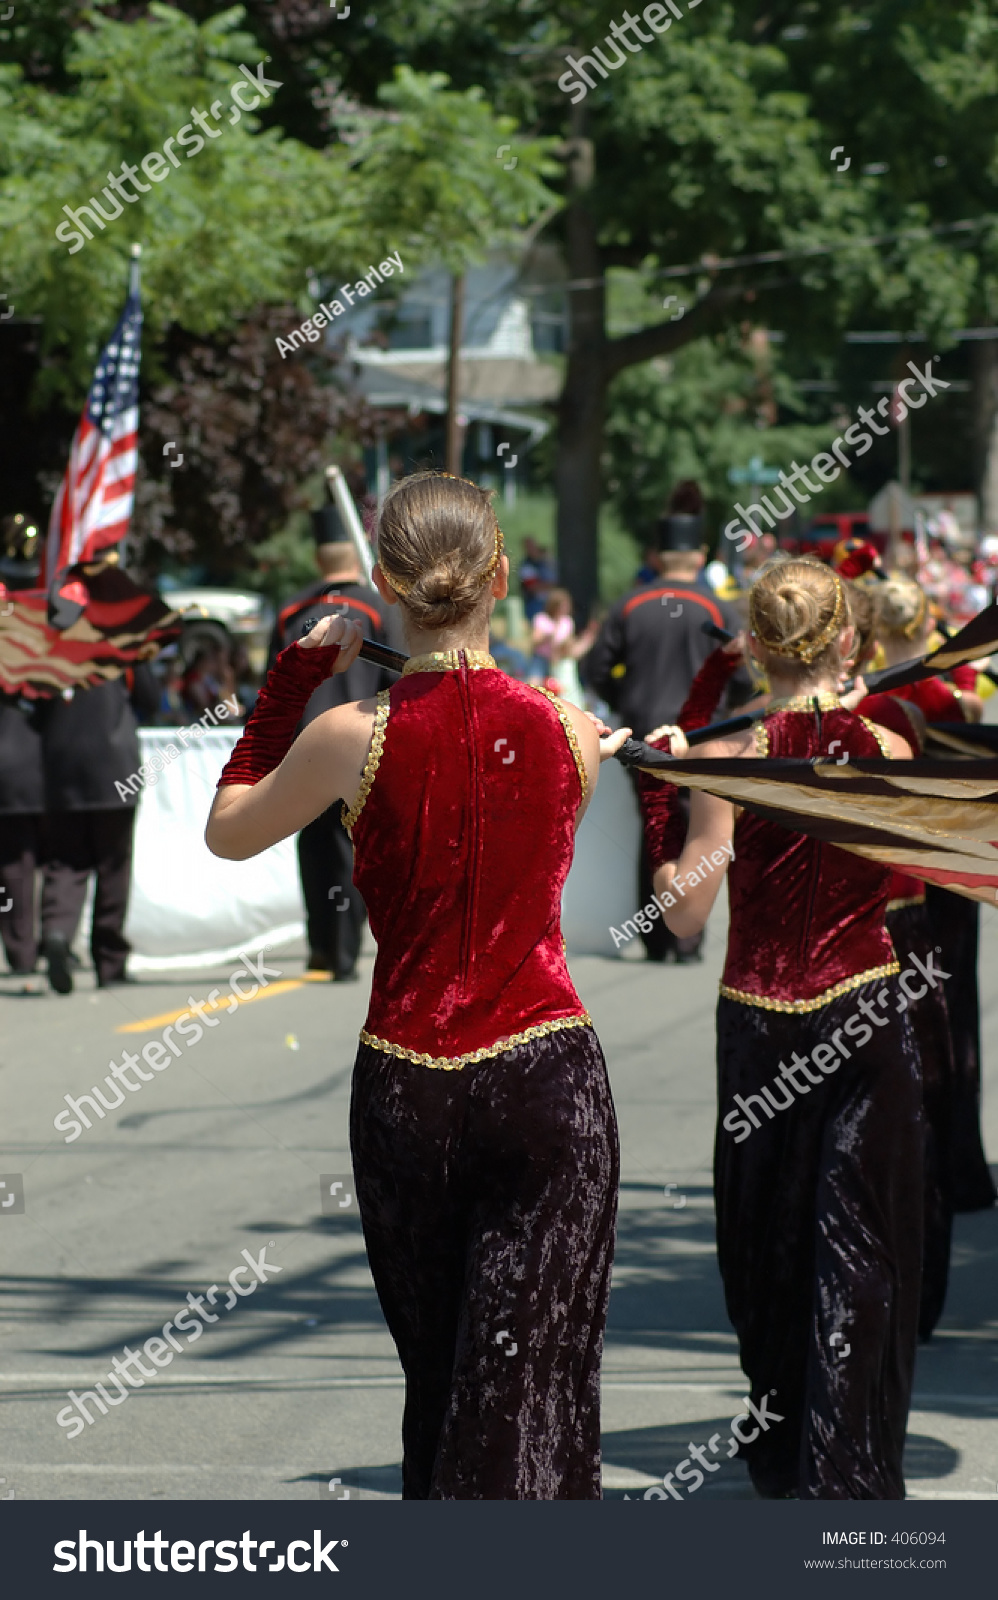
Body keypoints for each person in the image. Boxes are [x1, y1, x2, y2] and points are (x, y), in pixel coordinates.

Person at [207, 472, 626, 1500]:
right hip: (547, 1076)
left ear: (384, 582)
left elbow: (228, 831)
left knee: (443, 1375)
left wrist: (282, 687)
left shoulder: (347, 734)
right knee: (529, 1380)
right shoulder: (573, 732)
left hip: (407, 1081)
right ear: (496, 576)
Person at [643, 559, 922, 1498]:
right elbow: (909, 886)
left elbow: (682, 916)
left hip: (762, 1020)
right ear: (846, 638)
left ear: (755, 644)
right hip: (865, 1007)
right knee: (861, 1242)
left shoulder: (726, 760)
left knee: (766, 1240)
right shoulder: (888, 751)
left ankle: (784, 1442)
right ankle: (851, 1462)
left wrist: (661, 801)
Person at [858, 575, 995, 1215]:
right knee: (953, 1011)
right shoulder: (942, 698)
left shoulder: (872, 705)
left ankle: (898, 1152)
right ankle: (958, 1161)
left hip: (900, 876)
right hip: (952, 865)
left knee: (893, 1017)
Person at [587, 479, 751, 963]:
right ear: (699, 556)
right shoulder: (717, 607)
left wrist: (628, 702)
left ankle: (657, 939)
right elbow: (744, 677)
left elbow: (592, 668)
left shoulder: (629, 604)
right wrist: (721, 715)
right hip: (701, 736)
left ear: (657, 555)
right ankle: (688, 937)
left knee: (654, 828)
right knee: (700, 829)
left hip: (643, 737)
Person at [266, 503, 402, 982]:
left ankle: (321, 946)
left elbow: (272, 687)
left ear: (317, 555)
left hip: (302, 748)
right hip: (365, 745)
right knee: (357, 848)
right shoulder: (379, 606)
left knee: (315, 846)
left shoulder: (291, 610)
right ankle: (346, 950)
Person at [35, 658, 159, 993]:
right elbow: (149, 698)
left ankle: (57, 931)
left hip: (62, 766)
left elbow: (29, 706)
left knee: (64, 861)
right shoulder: (122, 640)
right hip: (115, 767)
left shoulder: (49, 643)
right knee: (113, 864)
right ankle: (109, 962)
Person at [0, 514, 44, 977]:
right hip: (31, 752)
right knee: (27, 859)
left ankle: (25, 951)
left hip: (19, 750)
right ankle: (34, 949)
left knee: (16, 860)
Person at [530, 587, 597, 707]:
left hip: (559, 659)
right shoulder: (542, 619)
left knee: (562, 687)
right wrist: (548, 634)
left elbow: (569, 645)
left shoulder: (567, 622)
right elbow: (535, 641)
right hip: (542, 657)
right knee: (534, 684)